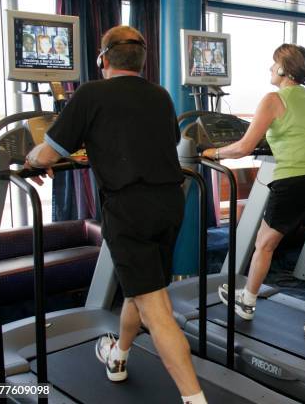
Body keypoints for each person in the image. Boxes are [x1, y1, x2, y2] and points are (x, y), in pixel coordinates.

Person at [23, 25, 206, 404]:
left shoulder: (91, 93)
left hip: (129, 209)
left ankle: (194, 398)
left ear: (102, 59)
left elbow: (48, 152)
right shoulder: (160, 95)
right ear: (143, 60)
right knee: (142, 290)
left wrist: (33, 158)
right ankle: (118, 355)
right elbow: (165, 140)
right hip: (170, 203)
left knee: (157, 310)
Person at [202, 44, 305, 343]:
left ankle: (247, 301)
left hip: (295, 181)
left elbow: (243, 147)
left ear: (283, 70)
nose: (270, 69)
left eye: (273, 65)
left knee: (263, 244)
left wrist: (212, 152)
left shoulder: (273, 99)